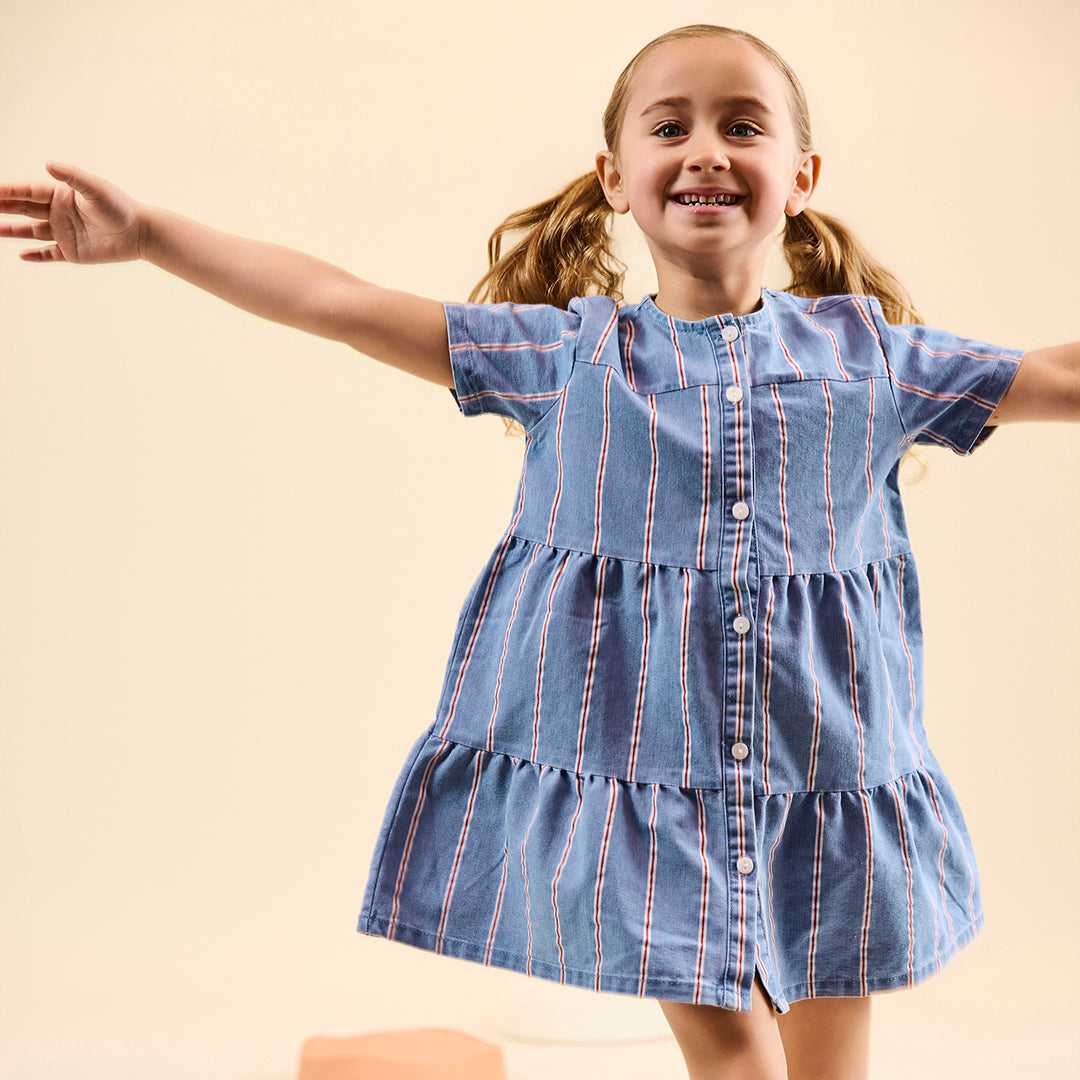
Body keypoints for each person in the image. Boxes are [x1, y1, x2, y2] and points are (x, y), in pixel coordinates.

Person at [1, 22, 1076, 1080]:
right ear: (616, 176)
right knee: (741, 1070)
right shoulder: (571, 357)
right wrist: (151, 237)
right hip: (656, 803)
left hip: (832, 790)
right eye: (673, 126)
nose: (706, 148)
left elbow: (1058, 378)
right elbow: (336, 304)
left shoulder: (873, 360)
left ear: (800, 174)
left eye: (742, 125)